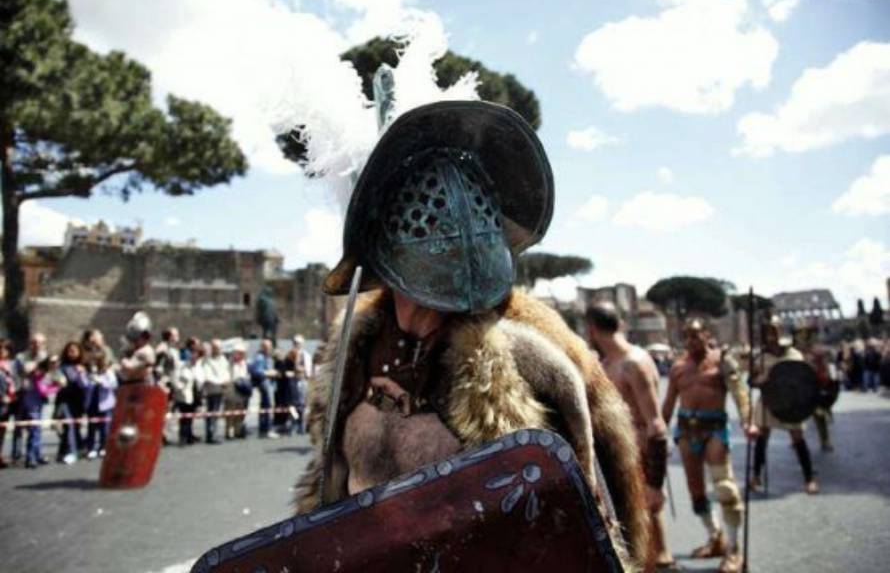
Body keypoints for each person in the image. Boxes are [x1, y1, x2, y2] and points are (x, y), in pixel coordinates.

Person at [294, 101, 648, 569]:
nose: (450, 231)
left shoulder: (531, 360)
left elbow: (585, 527)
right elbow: (331, 498)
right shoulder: (353, 354)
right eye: (432, 222)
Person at [586, 302, 676, 571]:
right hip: (622, 461)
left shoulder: (633, 364)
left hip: (642, 459)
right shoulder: (607, 364)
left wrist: (655, 484)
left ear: (591, 329)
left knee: (644, 540)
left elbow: (656, 426)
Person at [662, 318, 754, 573]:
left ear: (706, 334)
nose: (691, 340)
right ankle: (715, 537)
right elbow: (668, 405)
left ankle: (734, 550)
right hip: (686, 431)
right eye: (686, 336)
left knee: (725, 488)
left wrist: (748, 422)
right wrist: (657, 434)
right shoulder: (678, 367)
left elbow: (739, 392)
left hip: (715, 430)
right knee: (696, 491)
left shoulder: (722, 361)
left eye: (695, 334)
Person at [750, 316, 818, 495]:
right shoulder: (761, 358)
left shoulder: (794, 355)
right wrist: (759, 380)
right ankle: (756, 476)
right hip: (768, 401)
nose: (771, 337)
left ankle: (809, 478)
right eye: (768, 333)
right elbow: (751, 381)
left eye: (774, 333)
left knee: (798, 438)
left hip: (791, 404)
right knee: (761, 438)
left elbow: (804, 380)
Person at [10, 333, 48, 463]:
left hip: (37, 396)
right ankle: (17, 454)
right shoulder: (21, 357)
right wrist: (38, 363)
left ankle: (34, 455)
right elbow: (24, 370)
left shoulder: (45, 357)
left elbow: (50, 374)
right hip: (22, 394)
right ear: (30, 343)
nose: (37, 345)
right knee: (19, 426)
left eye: (40, 343)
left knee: (35, 426)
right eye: (34, 342)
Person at [18, 355, 61, 468]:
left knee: (37, 431)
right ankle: (31, 458)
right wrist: (56, 387)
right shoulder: (38, 373)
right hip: (32, 405)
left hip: (37, 404)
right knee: (34, 432)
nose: (55, 365)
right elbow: (42, 390)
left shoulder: (45, 373)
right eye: (53, 363)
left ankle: (36, 455)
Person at [55, 341, 92, 464]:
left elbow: (86, 385)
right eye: (69, 351)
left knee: (75, 426)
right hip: (65, 399)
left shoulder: (84, 367)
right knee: (69, 424)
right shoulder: (63, 367)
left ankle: (64, 451)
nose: (71, 353)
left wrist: (81, 373)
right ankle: (71, 452)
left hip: (79, 400)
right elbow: (60, 379)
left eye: (74, 351)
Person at [85, 351, 117, 459]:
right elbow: (86, 385)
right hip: (92, 402)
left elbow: (113, 385)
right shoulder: (91, 373)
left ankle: (103, 447)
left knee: (105, 428)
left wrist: (101, 382)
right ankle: (91, 448)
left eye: (97, 360)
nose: (95, 363)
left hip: (105, 404)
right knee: (92, 427)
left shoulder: (108, 372)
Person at [808, 345, 838, 452]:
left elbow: (834, 383)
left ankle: (825, 441)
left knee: (820, 417)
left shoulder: (830, 367)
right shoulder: (809, 366)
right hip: (811, 396)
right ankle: (796, 439)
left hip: (822, 396)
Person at [173, 340, 202, 445]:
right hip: (184, 394)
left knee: (191, 416)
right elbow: (177, 379)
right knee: (184, 417)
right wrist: (179, 388)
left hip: (195, 394)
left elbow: (200, 379)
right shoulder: (183, 366)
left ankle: (190, 435)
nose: (194, 357)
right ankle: (183, 437)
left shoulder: (198, 366)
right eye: (193, 355)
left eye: (196, 355)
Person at [249, 339, 279, 439]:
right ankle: (268, 429)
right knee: (269, 406)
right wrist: (270, 373)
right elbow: (256, 371)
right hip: (265, 384)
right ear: (262, 347)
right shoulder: (259, 357)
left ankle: (264, 429)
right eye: (266, 347)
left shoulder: (269, 357)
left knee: (265, 407)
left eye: (269, 346)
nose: (268, 348)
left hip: (270, 384)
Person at [201, 339, 229, 444]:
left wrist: (226, 380)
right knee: (211, 412)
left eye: (220, 348)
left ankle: (214, 433)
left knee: (216, 413)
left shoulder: (223, 359)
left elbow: (226, 371)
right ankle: (210, 434)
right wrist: (220, 382)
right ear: (213, 348)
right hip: (212, 390)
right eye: (217, 348)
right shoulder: (207, 360)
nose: (219, 350)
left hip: (221, 389)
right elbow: (208, 376)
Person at [224, 342, 251, 440]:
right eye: (239, 353)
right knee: (230, 412)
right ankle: (229, 431)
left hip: (242, 390)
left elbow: (246, 375)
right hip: (231, 389)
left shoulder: (244, 363)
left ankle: (238, 430)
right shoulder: (229, 363)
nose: (241, 355)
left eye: (242, 353)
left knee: (240, 412)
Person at [0, 339, 18, 468]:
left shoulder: (12, 365)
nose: (2, 350)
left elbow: (16, 380)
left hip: (11, 401)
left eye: (5, 348)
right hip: (2, 400)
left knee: (2, 430)